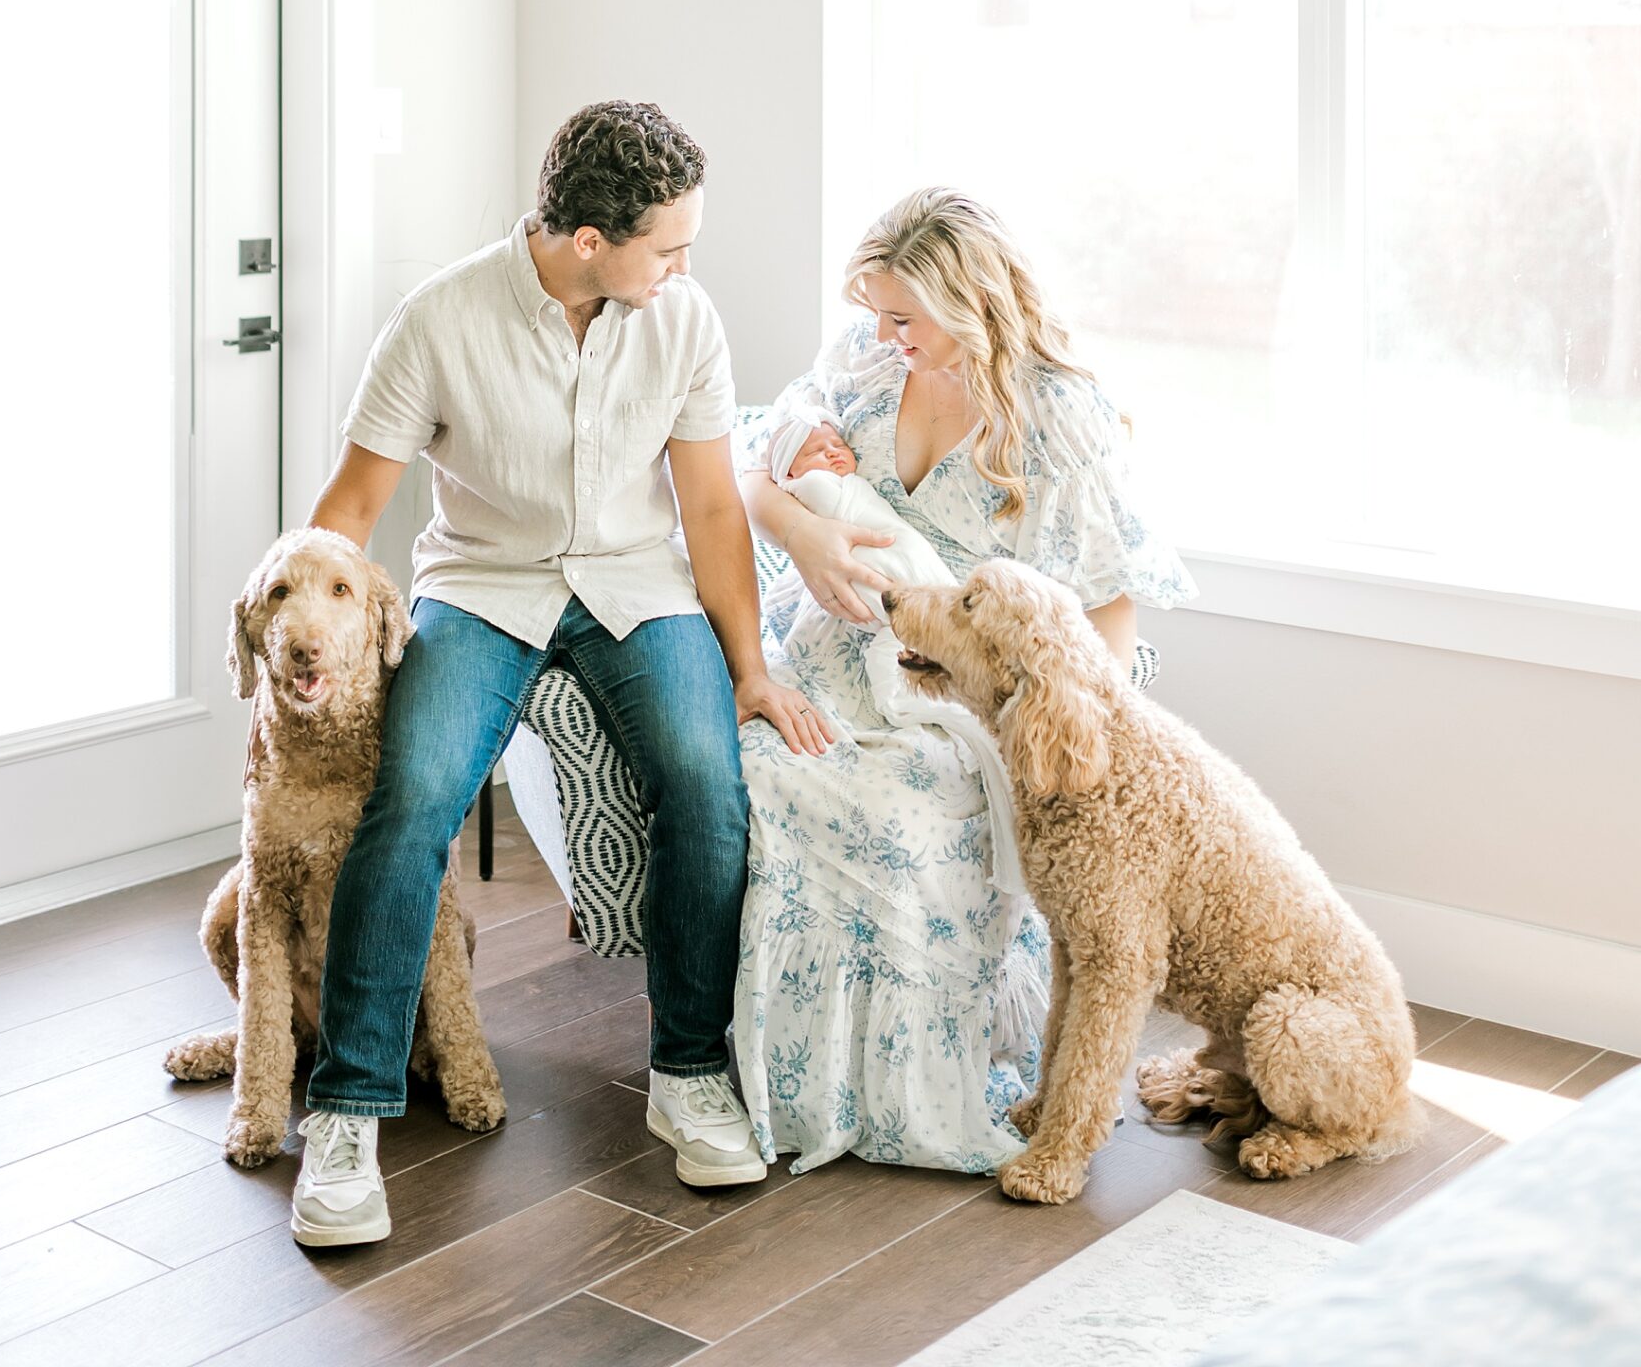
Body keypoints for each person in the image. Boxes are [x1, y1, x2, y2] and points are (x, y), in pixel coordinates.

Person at [288, 99, 816, 1246]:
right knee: (414, 796)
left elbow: (713, 504)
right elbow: (352, 510)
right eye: (666, 245)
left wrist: (749, 664)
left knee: (706, 782)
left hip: (636, 580)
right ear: (590, 241)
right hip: (482, 584)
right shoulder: (437, 320)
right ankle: (344, 1112)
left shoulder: (684, 320)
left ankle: (688, 1071)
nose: (684, 265)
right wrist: (314, 656)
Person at [734, 186, 1198, 1177]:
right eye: (875, 310)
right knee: (754, 774)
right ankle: (782, 1080)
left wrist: (1075, 750)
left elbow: (1107, 609)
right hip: (832, 637)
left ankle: (904, 1082)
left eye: (904, 316)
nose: (882, 332)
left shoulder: (1054, 413)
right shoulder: (865, 357)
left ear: (971, 305)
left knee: (889, 811)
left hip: (965, 685)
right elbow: (758, 470)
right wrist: (808, 533)